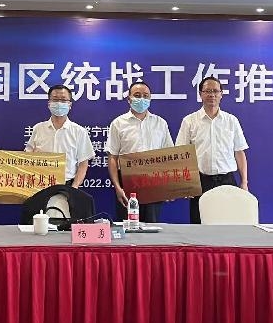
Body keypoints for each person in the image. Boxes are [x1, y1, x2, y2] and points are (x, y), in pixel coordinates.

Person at [176, 76, 249, 224]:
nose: (212, 95)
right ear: (200, 94)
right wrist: (185, 184)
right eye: (207, 91)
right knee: (199, 225)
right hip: (200, 182)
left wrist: (244, 182)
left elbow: (239, 152)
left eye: (216, 91)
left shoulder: (231, 120)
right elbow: (182, 154)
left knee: (228, 224)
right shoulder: (189, 121)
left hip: (227, 181)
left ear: (221, 94)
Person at [106, 81, 174, 223]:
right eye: (137, 95)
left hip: (154, 182)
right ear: (129, 99)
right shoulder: (118, 123)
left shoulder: (160, 123)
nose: (142, 99)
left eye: (145, 96)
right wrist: (117, 187)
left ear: (150, 98)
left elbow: (168, 156)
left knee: (151, 225)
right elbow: (112, 157)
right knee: (127, 226)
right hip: (127, 183)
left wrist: (169, 187)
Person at [25, 84, 95, 188]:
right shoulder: (38, 128)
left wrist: (74, 187)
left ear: (70, 104)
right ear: (49, 103)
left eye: (63, 100)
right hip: (39, 183)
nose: (59, 103)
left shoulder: (79, 131)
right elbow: (28, 155)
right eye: (55, 99)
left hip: (66, 185)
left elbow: (83, 164)